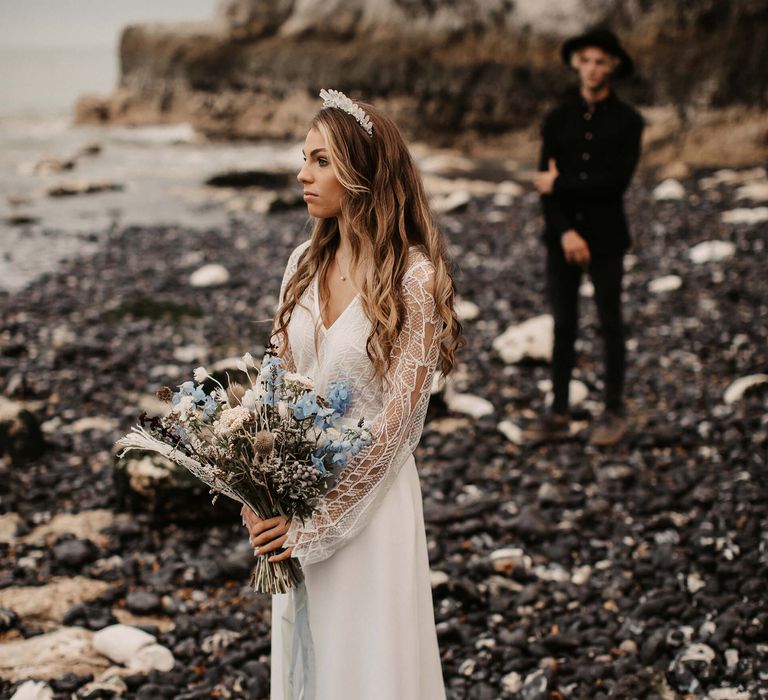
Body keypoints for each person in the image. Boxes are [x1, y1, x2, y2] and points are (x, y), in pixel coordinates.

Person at [241, 89, 462, 700]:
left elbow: (400, 425)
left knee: (369, 668)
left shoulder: (414, 275)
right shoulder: (301, 265)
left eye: (320, 161)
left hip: (373, 508)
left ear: (362, 173)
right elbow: (272, 388)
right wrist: (255, 498)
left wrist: (316, 527)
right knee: (312, 666)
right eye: (303, 159)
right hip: (294, 498)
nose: (301, 174)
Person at [530, 28, 644, 446]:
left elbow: (614, 185)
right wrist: (565, 231)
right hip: (562, 239)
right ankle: (559, 410)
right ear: (576, 63)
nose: (592, 68)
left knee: (610, 322)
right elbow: (544, 185)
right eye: (586, 60)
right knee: (564, 324)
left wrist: (560, 184)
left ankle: (614, 409)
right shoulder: (557, 119)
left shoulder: (629, 122)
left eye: (600, 61)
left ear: (613, 66)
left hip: (608, 238)